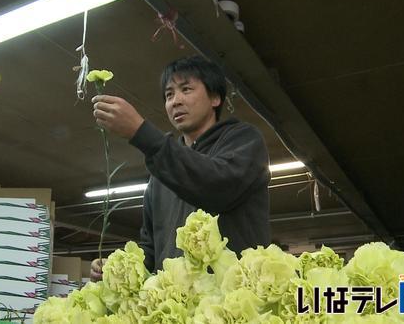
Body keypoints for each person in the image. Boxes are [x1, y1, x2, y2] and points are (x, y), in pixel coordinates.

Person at [90, 55, 270, 280]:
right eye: (169, 94)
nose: (175, 101)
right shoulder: (160, 174)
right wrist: (119, 267)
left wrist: (140, 132)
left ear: (215, 97)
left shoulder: (243, 140)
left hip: (234, 300)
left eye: (186, 89)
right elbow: (151, 247)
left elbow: (215, 187)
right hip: (175, 305)